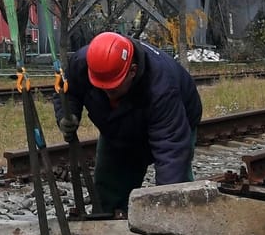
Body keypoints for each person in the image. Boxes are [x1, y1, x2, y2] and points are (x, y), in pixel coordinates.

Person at [54, 31, 202, 217]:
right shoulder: (85, 62)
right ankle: (111, 226)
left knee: (176, 194)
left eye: (113, 89)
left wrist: (167, 210)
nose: (107, 93)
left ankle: (183, 231)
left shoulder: (161, 87)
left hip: (175, 122)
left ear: (132, 71)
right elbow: (68, 91)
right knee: (109, 190)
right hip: (118, 127)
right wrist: (67, 114)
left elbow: (171, 151)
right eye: (102, 88)